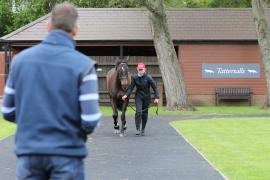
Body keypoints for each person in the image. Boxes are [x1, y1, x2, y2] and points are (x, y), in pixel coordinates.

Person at [1, 2, 101, 180]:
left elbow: (7, 111)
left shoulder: (19, 62)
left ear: (48, 26)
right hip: (68, 155)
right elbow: (91, 120)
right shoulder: (85, 66)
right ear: (75, 30)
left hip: (29, 154)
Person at [122, 63, 159, 136]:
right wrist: (126, 95)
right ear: (137, 69)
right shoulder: (135, 78)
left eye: (142, 69)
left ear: (144, 69)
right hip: (138, 97)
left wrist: (157, 97)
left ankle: (143, 129)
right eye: (139, 69)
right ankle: (138, 129)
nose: (140, 70)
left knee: (144, 114)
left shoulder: (148, 78)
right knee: (138, 112)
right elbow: (131, 88)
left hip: (147, 98)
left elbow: (155, 88)